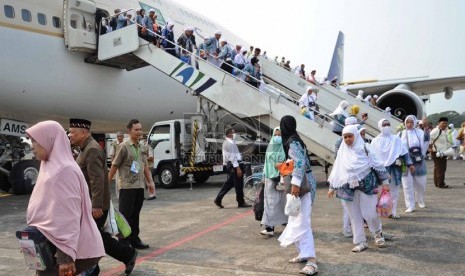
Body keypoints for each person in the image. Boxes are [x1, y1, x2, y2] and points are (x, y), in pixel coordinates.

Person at [25, 121, 105, 275]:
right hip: (49, 248)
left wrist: (65, 258)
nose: (32, 146)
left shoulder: (64, 170)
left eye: (35, 140)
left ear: (49, 140)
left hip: (69, 255)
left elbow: (68, 217)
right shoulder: (48, 166)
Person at [68, 119, 138, 275]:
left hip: (96, 205)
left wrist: (97, 205)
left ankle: (122, 257)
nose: (69, 135)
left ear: (84, 133)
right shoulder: (84, 149)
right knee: (97, 237)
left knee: (93, 238)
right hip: (91, 204)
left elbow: (97, 180)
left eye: (72, 132)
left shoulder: (91, 150)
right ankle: (126, 255)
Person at [328, 125, 390, 253]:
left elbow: (377, 164)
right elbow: (337, 170)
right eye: (345, 137)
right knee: (354, 216)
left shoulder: (365, 148)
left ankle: (378, 234)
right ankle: (360, 241)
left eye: (350, 136)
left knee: (370, 213)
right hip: (348, 188)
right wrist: (332, 187)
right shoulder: (342, 151)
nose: (347, 140)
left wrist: (385, 182)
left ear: (356, 136)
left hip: (367, 186)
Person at [277, 116, 318, 275]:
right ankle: (303, 253)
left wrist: (295, 184)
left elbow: (299, 163)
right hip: (302, 184)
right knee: (296, 220)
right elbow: (295, 162)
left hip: (302, 186)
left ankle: (312, 261)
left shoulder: (292, 142)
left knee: (302, 222)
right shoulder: (294, 140)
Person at [108, 119, 156, 249]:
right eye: (136, 130)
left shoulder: (142, 147)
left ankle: (135, 239)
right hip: (127, 186)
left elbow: (144, 165)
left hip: (139, 186)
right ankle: (123, 242)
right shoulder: (123, 147)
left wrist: (150, 182)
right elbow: (114, 165)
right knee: (125, 216)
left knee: (135, 215)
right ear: (129, 131)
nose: (139, 132)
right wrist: (106, 184)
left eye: (140, 129)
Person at [371, 118, 413, 219]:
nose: (386, 126)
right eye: (384, 124)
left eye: (388, 124)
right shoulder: (375, 141)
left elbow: (404, 153)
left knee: (394, 191)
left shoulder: (396, 139)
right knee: (379, 192)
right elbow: (372, 157)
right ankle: (378, 212)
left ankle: (392, 212)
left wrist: (409, 164)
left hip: (394, 170)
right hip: (380, 171)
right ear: (380, 126)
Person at [214, 128, 251, 208]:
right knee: (239, 185)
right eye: (234, 133)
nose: (235, 134)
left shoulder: (227, 142)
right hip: (235, 165)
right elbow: (232, 157)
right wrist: (237, 168)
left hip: (231, 165)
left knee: (229, 184)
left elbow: (226, 155)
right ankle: (241, 202)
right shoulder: (230, 143)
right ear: (229, 134)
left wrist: (225, 164)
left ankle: (218, 199)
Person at [260, 127, 287, 236]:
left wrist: (281, 167)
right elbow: (266, 163)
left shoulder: (284, 147)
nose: (277, 137)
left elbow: (287, 163)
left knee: (283, 203)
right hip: (269, 180)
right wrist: (263, 176)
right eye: (275, 135)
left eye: (279, 135)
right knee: (270, 203)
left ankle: (287, 224)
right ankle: (269, 227)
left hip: (281, 180)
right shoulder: (270, 147)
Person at [399, 115, 429, 212]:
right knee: (407, 185)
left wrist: (426, 128)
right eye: (407, 122)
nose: (409, 124)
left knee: (421, 183)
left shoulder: (419, 132)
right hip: (405, 162)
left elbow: (425, 142)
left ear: (415, 123)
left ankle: (420, 199)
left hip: (418, 161)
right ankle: (410, 205)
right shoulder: (400, 134)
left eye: (411, 122)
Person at [429, 117, 452, 188]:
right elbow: (428, 138)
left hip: (443, 152)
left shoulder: (445, 131)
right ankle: (441, 184)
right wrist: (430, 148)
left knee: (438, 168)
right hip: (437, 152)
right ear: (439, 123)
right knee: (441, 168)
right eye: (443, 123)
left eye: (446, 123)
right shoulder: (436, 131)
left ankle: (438, 183)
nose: (445, 124)